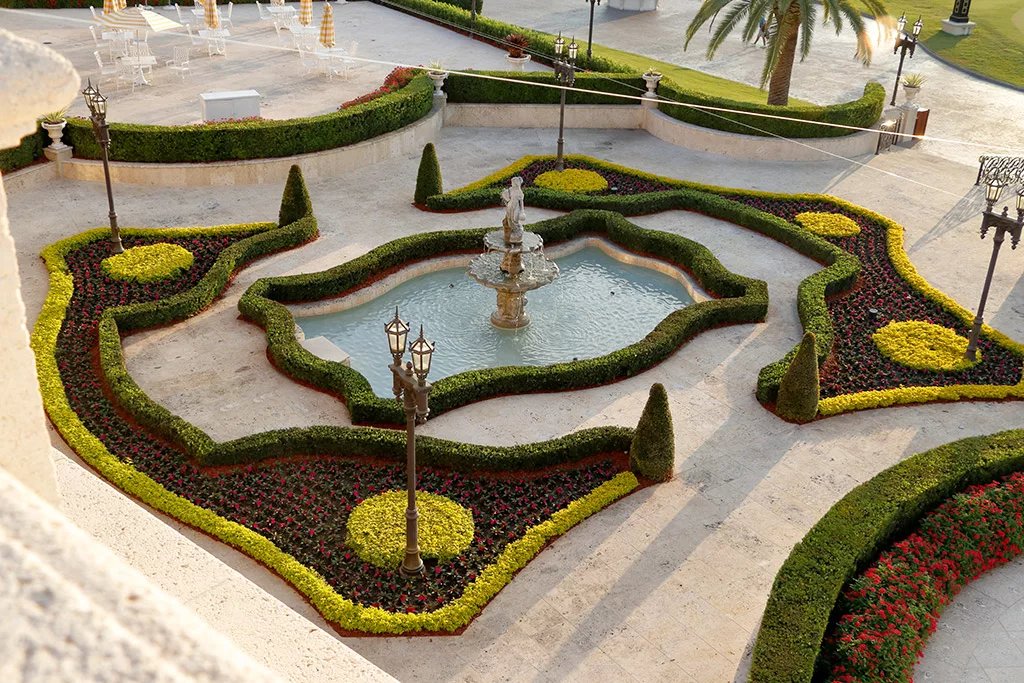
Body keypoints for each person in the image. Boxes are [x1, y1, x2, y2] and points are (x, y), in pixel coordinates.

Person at [500, 176, 525, 246]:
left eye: (513, 182)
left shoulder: (520, 192)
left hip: (516, 206)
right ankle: (511, 232)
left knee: (515, 219)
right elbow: (505, 195)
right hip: (510, 205)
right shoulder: (510, 189)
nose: (512, 183)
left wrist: (522, 211)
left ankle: (516, 231)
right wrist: (505, 198)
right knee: (509, 218)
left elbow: (521, 203)